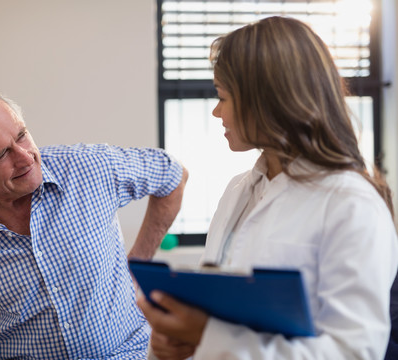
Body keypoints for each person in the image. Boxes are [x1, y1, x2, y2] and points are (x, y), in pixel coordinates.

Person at [137, 16, 398, 360]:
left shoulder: (352, 204)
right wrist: (176, 344)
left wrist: (209, 337)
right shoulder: (238, 191)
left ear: (269, 100)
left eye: (223, 96)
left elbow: (354, 351)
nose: (216, 112)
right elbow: (216, 309)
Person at [0, 87, 188, 359]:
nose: (25, 157)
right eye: (1, 155)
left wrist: (137, 264)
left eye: (22, 135)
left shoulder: (89, 167)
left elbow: (173, 175)